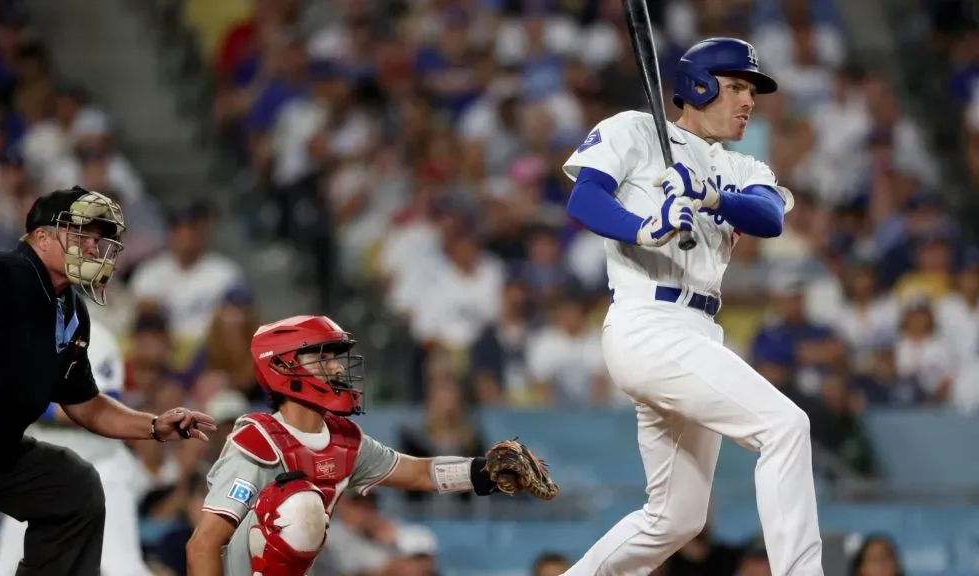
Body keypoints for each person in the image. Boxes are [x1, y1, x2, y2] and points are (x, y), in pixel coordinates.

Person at [560, 37, 822, 576]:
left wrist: (708, 196)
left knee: (674, 519)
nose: (748, 100)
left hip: (699, 330)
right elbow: (584, 197)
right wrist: (644, 227)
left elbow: (769, 218)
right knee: (785, 426)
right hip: (646, 320)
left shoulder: (743, 167)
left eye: (751, 90)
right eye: (736, 87)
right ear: (698, 87)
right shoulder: (633, 128)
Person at [0, 186, 216, 576]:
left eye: (98, 239)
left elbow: (85, 404)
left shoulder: (70, 309)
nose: (94, 248)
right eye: (81, 236)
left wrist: (152, 425)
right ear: (41, 237)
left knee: (74, 487)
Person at [186, 315, 555, 576]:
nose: (335, 368)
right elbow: (202, 545)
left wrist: (484, 471)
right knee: (299, 506)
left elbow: (417, 472)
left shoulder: (344, 441)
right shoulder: (257, 441)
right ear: (282, 367)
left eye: (334, 357)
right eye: (322, 356)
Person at [0, 320, 153, 576]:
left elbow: (104, 404)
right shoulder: (21, 333)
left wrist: (37, 405)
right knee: (5, 569)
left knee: (123, 569)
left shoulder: (95, 337)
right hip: (35, 474)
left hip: (100, 469)